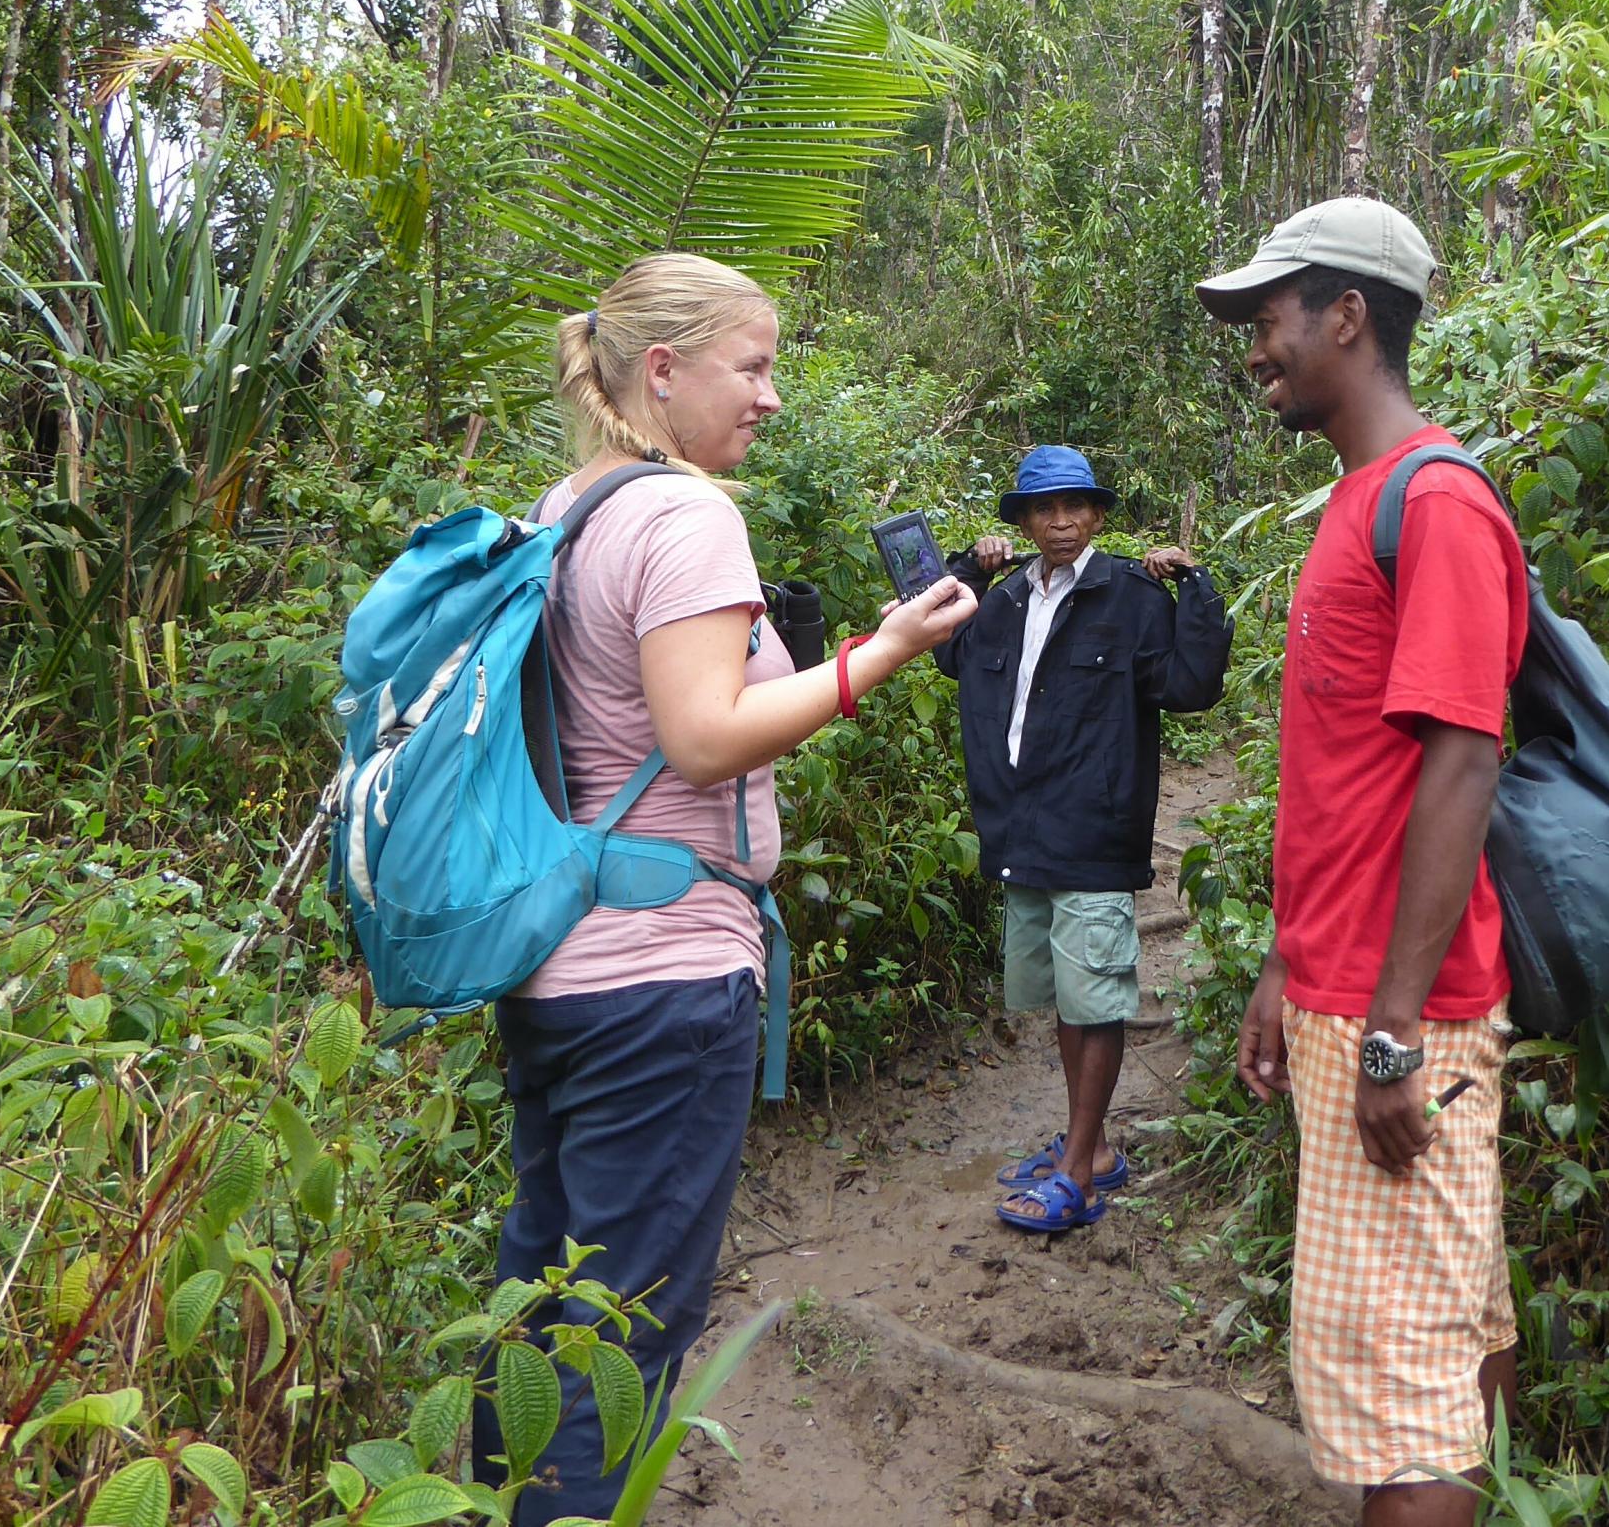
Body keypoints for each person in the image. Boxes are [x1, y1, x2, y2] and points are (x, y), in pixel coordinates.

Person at [474, 253, 977, 1524]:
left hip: (559, 962)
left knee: (544, 1296)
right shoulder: (687, 512)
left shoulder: (570, 503)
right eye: (750, 366)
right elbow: (702, 737)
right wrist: (884, 651)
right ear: (661, 369)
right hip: (661, 978)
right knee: (619, 1330)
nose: (768, 396)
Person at [1196, 200, 1528, 1524]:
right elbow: (1348, 782)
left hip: (1405, 1016)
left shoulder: (1433, 502)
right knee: (1446, 1332)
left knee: (1404, 1408)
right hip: (1345, 991)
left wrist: (1393, 1028)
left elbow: (1460, 762)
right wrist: (1288, 961)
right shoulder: (1358, 502)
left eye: (1270, 317)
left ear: (1348, 316)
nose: (1256, 347)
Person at [935, 444, 1233, 1234]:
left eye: (1074, 507)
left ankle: (1076, 1174)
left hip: (1093, 828)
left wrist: (1195, 586)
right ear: (1024, 522)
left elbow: (1190, 687)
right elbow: (945, 650)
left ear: (1097, 515)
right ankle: (1090, 1147)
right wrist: (968, 570)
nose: (1060, 522)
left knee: (1095, 995)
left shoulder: (1131, 594)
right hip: (1021, 827)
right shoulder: (1000, 601)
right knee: (1066, 996)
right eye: (1043, 509)